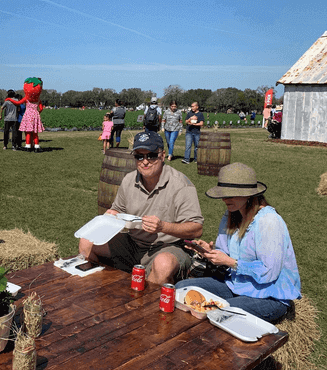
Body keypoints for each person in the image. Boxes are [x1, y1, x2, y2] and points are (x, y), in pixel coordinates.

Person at [177, 163, 301, 323]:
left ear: (249, 195)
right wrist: (209, 252)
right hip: (236, 285)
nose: (224, 199)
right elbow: (225, 255)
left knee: (218, 313)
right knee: (181, 288)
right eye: (223, 194)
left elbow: (269, 272)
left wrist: (229, 261)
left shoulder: (269, 221)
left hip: (270, 296)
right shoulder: (230, 215)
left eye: (231, 194)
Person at [79, 131, 203, 284]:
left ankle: (145, 304)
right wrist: (112, 214)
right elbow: (118, 209)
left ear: (162, 155)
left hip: (167, 246)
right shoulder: (129, 180)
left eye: (151, 155)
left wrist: (163, 226)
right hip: (132, 243)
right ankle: (103, 293)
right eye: (139, 156)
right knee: (87, 242)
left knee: (163, 264)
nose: (145, 161)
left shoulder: (181, 185)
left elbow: (197, 228)